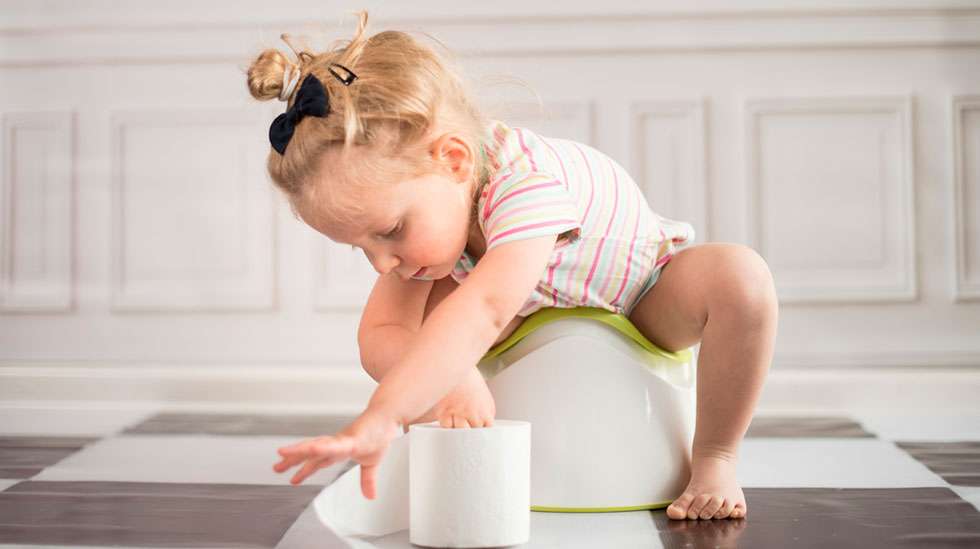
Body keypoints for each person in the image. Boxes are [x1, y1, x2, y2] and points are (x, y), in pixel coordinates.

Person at [248, 10, 778, 521]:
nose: (382, 262)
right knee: (426, 329)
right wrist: (444, 383)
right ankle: (468, 458)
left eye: (389, 231)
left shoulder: (521, 184)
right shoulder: (426, 232)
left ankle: (715, 458)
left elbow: (487, 306)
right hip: (529, 311)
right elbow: (381, 334)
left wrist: (385, 416)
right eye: (360, 247)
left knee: (740, 278)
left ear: (454, 160)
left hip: (641, 295)